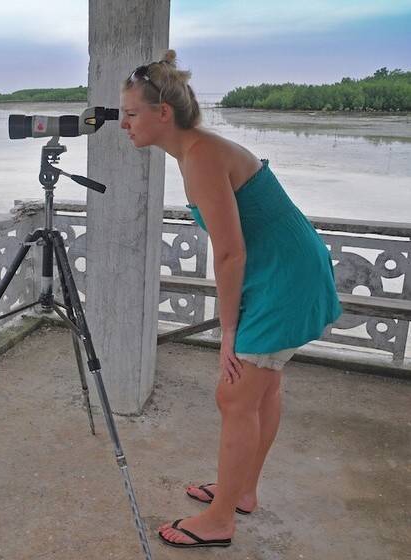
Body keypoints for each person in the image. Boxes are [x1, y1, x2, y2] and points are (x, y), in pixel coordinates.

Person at [119, 50, 343, 549]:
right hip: (288, 269)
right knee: (261, 390)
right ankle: (242, 492)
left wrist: (229, 332)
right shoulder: (198, 150)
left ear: (163, 114)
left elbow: (229, 253)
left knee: (235, 393)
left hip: (283, 281)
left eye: (131, 114)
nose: (123, 124)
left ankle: (221, 518)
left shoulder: (200, 158)